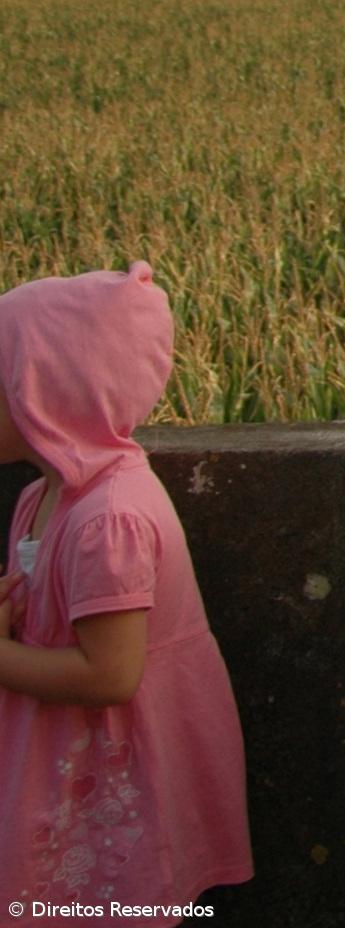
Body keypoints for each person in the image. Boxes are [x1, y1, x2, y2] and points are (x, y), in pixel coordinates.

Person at [0, 262, 251, 909]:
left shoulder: (107, 520)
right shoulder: (42, 496)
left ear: (47, 392)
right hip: (64, 762)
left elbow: (109, 676)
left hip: (114, 772)